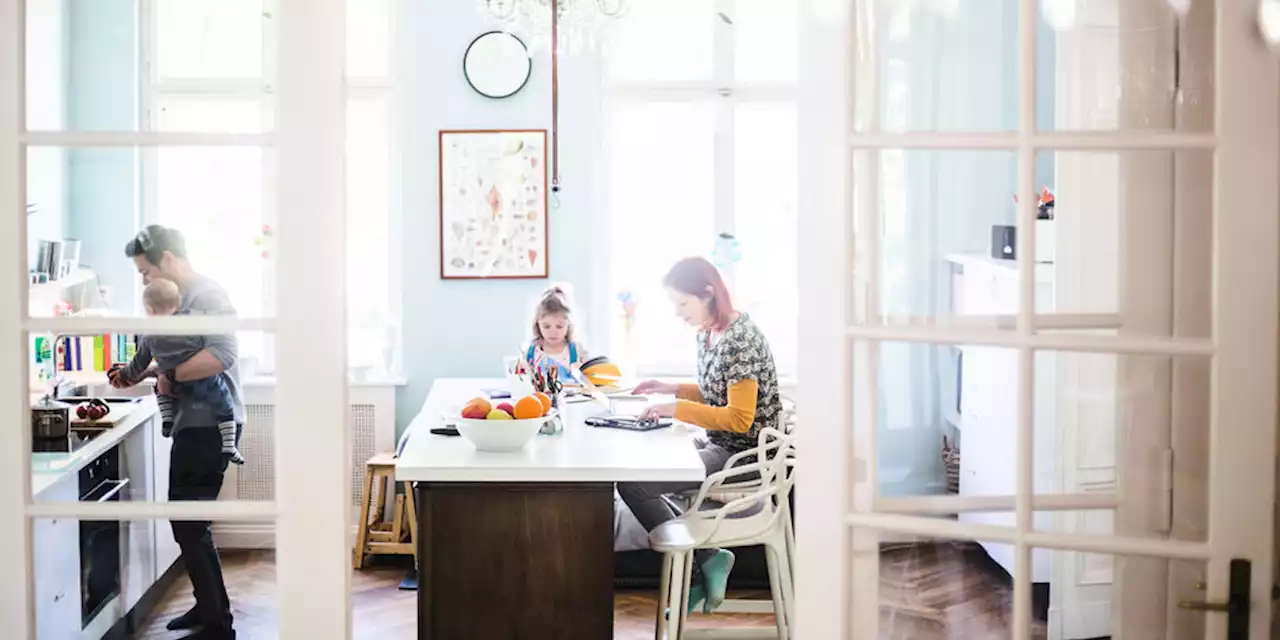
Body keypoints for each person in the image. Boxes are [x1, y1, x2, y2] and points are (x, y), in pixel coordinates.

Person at [619, 257, 783, 614]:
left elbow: (740, 418)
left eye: (683, 303)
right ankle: (708, 559)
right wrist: (671, 388)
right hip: (721, 445)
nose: (679, 313)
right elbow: (717, 391)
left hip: (746, 456)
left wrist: (673, 407)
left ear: (708, 294)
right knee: (647, 462)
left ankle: (698, 570)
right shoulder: (709, 333)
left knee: (634, 484)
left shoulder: (741, 340)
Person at [109, 225, 242, 640]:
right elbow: (163, 351)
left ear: (167, 259)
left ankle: (218, 624)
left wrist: (167, 374)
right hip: (192, 423)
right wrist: (145, 372)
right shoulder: (170, 306)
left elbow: (222, 354)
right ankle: (209, 610)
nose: (144, 280)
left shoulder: (207, 296)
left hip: (210, 423)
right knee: (187, 520)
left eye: (145, 271)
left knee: (189, 522)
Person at [121, 277, 244, 464]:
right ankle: (229, 445)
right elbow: (210, 350)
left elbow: (138, 364)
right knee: (225, 405)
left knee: (161, 390)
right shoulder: (191, 323)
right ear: (178, 304)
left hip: (176, 388)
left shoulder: (149, 335)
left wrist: (125, 375)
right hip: (204, 381)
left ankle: (167, 419)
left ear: (150, 310)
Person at [525, 285, 589, 381]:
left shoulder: (578, 351)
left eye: (559, 326)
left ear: (569, 325)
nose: (553, 332)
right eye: (546, 326)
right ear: (537, 325)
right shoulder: (530, 353)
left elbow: (590, 381)